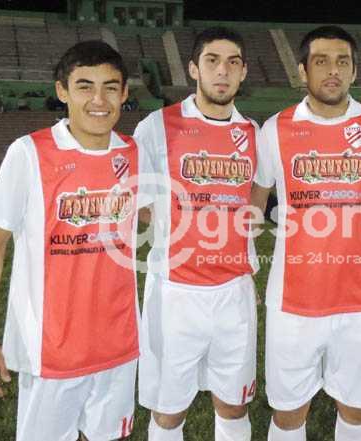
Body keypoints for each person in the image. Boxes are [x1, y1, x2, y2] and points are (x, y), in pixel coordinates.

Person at [250, 26, 361, 441]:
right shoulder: (275, 130)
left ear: (354, 71)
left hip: (358, 303)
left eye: (342, 62)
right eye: (321, 61)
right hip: (291, 305)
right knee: (289, 413)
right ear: (302, 71)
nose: (333, 70)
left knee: (357, 409)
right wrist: (242, 267)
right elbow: (253, 208)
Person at [0, 40, 148, 441]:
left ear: (124, 94)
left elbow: (156, 211)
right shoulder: (29, 153)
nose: (98, 100)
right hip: (51, 351)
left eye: (110, 87)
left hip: (119, 345)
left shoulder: (134, 153)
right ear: (62, 91)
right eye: (85, 86)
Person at [134, 27, 260, 441]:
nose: (222, 71)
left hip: (234, 292)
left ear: (243, 72)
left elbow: (254, 204)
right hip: (174, 294)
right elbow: (140, 204)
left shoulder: (254, 133)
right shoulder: (157, 126)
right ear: (193, 69)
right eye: (212, 61)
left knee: (234, 404)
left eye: (232, 63)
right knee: (169, 411)